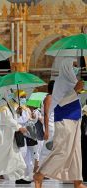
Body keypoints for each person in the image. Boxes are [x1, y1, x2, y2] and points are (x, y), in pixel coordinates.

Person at [34, 57, 86, 188]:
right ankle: (40, 174)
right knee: (62, 151)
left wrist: (76, 88)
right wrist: (75, 90)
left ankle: (77, 182)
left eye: (76, 66)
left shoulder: (73, 81)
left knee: (75, 153)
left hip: (74, 120)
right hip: (64, 120)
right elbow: (60, 102)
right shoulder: (61, 81)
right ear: (66, 66)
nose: (76, 68)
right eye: (74, 65)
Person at [0, 88, 28, 182]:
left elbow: (13, 117)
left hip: (10, 135)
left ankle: (19, 177)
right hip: (3, 135)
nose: (12, 95)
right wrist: (19, 127)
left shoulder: (9, 105)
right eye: (10, 93)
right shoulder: (2, 105)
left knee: (16, 156)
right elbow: (7, 119)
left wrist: (18, 113)